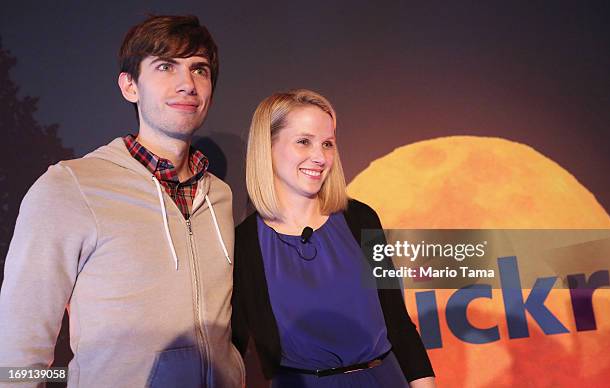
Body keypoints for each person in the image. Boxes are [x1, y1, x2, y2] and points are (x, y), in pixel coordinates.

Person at [0, 15, 244, 387]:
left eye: (200, 69)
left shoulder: (220, 196)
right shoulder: (71, 187)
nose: (187, 84)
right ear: (129, 86)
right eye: (166, 67)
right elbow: (18, 346)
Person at [231, 89, 435, 387]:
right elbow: (233, 347)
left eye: (327, 144)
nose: (320, 157)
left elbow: (397, 321)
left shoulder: (361, 220)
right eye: (304, 141)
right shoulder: (244, 243)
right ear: (267, 147)